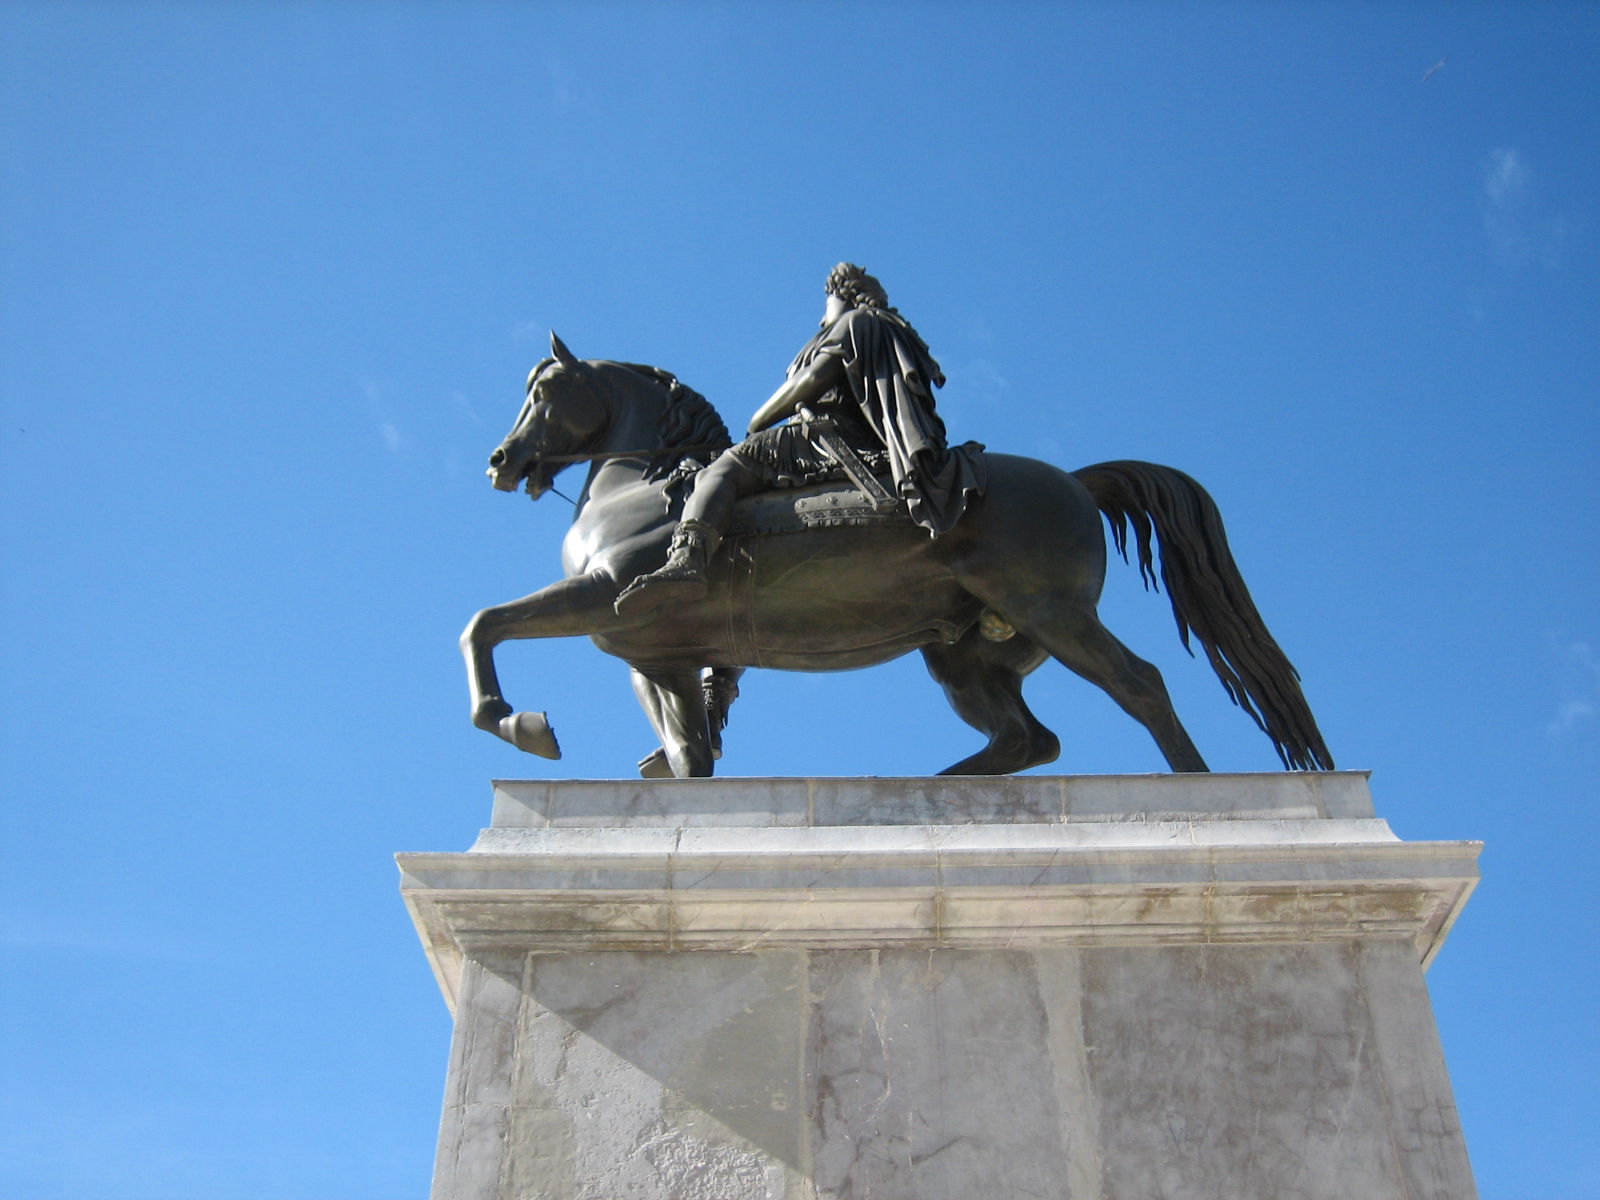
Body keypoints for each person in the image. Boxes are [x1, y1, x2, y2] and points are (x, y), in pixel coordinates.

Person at [615, 263, 984, 616]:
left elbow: (813, 379)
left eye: (827, 307)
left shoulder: (856, 322)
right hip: (841, 435)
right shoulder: (878, 325)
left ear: (846, 297)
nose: (823, 319)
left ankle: (687, 561)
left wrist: (760, 418)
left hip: (828, 438)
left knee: (724, 468)